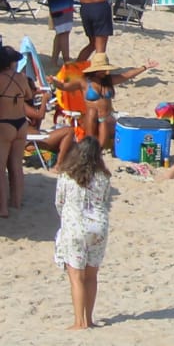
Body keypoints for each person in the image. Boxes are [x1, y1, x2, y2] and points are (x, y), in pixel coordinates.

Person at [54, 137, 112, 330]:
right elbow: (105, 202)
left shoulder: (66, 176)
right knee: (91, 276)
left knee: (76, 277)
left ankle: (80, 322)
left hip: (75, 227)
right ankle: (89, 319)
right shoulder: (104, 177)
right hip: (98, 227)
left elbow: (59, 203)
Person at [47, 53, 157, 154]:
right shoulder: (83, 82)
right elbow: (65, 87)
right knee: (92, 116)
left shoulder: (108, 80)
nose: (106, 72)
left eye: (106, 69)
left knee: (103, 131)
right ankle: (90, 148)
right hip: (90, 117)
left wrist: (145, 67)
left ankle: (96, 150)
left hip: (106, 116)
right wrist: (54, 82)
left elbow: (127, 75)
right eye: (103, 70)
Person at [1, 45, 36, 216]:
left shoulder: (0, 78)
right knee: (16, 166)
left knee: (1, 170)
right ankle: (16, 202)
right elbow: (29, 95)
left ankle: (3, 208)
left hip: (4, 124)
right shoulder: (22, 77)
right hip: (21, 123)